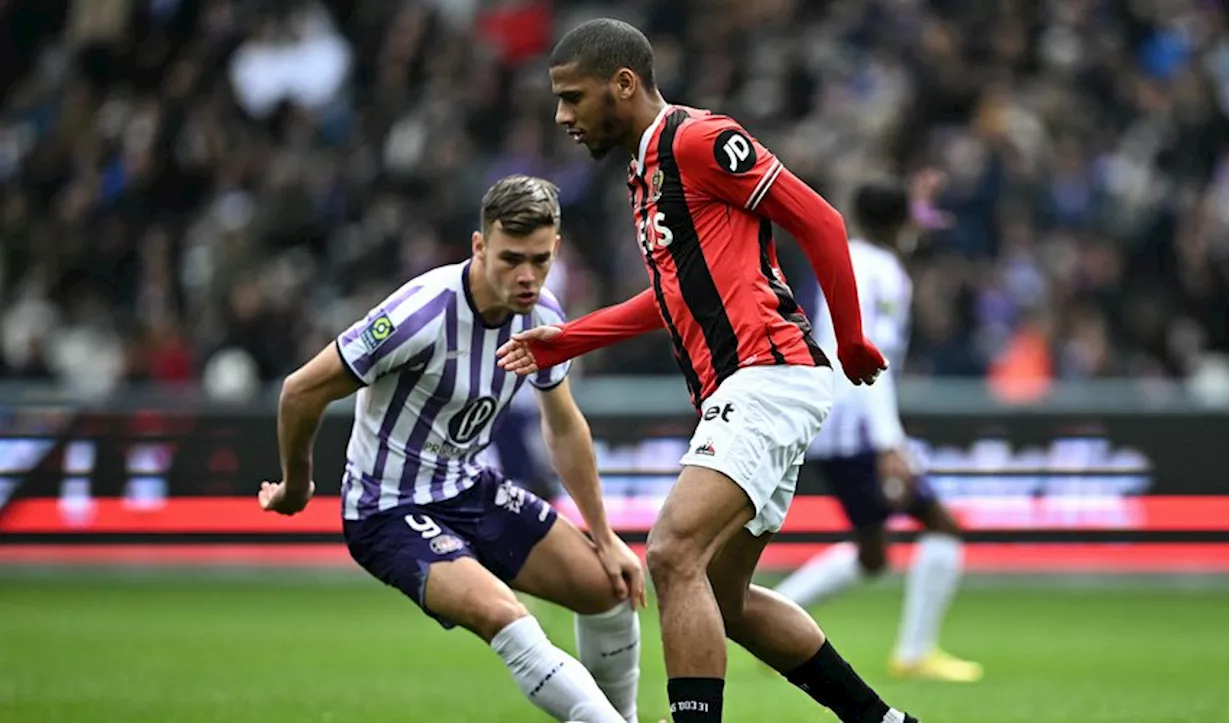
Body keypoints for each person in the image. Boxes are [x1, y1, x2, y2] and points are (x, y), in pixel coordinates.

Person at [499, 18, 918, 723]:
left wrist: (851, 336)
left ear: (624, 84)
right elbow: (671, 298)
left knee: (671, 550)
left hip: (768, 372)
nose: (562, 116)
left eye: (573, 98)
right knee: (722, 597)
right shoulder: (645, 171)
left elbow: (819, 219)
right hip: (746, 383)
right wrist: (564, 340)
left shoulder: (698, 140)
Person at [259, 175, 646, 723]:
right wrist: (297, 484)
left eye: (539, 259)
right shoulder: (418, 314)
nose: (527, 276)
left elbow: (563, 426)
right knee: (506, 616)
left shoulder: (545, 317)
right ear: (479, 246)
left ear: (556, 248)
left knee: (609, 589)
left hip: (468, 488)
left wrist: (605, 537)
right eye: (511, 258)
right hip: (387, 509)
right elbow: (300, 390)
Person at [773, 172, 983, 683]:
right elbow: (873, 356)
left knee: (872, 553)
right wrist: (891, 442)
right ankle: (914, 652)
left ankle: (770, 616)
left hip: (828, 417)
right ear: (900, 222)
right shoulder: (886, 272)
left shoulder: (844, 254)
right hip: (859, 426)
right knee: (943, 526)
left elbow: (897, 216)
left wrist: (916, 205)